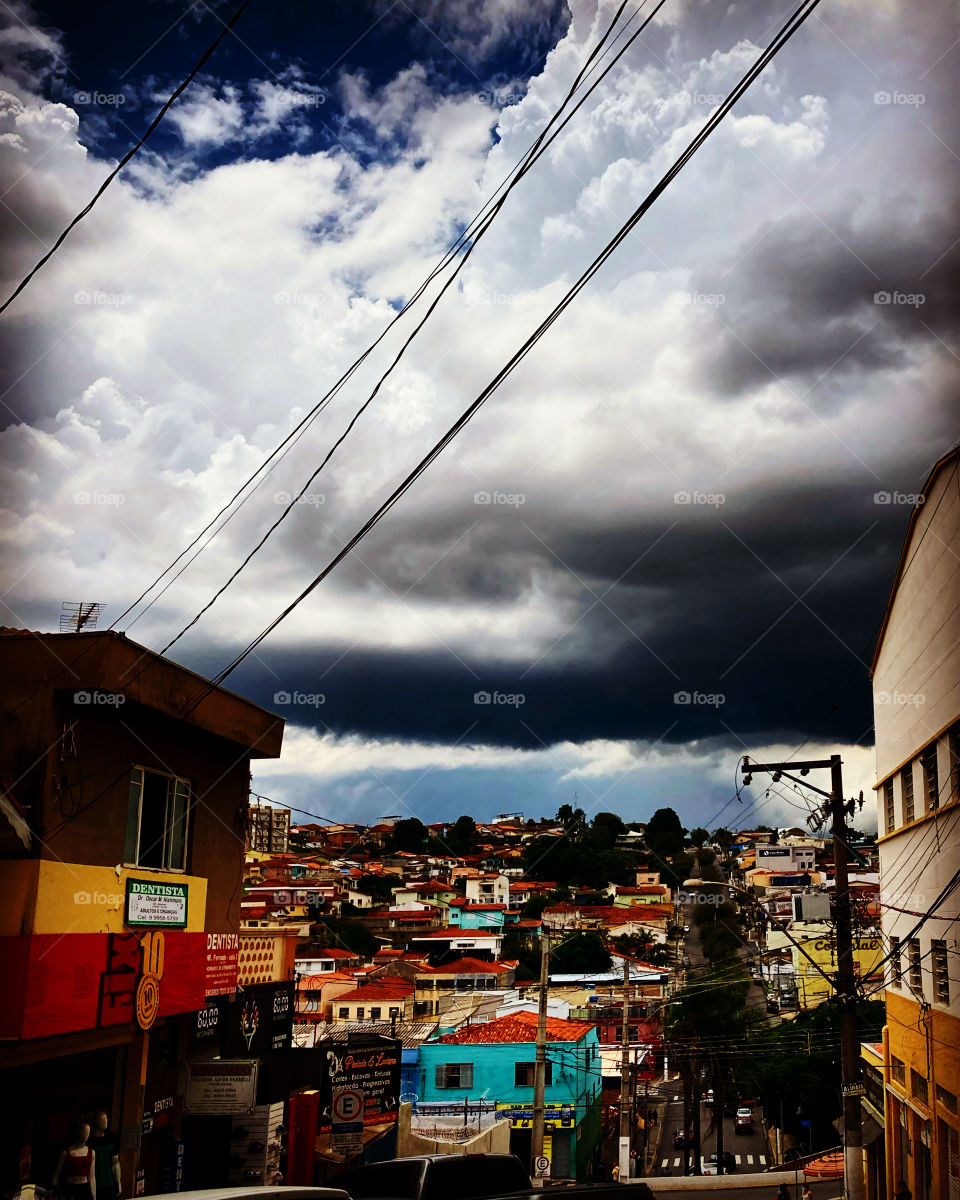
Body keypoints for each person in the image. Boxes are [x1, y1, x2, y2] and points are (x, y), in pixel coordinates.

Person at [52, 1121, 96, 1200]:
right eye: (84, 1131)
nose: (86, 1134)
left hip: (84, 1189)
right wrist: (53, 1190)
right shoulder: (66, 1152)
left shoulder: (92, 1153)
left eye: (88, 1132)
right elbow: (57, 1174)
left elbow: (92, 1176)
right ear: (79, 1132)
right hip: (69, 1188)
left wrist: (94, 1194)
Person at [88, 1112, 120, 1200]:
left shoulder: (112, 1139)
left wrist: (119, 1182)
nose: (106, 1121)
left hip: (109, 1184)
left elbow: (115, 1163)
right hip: (94, 1184)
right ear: (96, 1121)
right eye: (102, 1119)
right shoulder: (89, 1141)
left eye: (106, 1118)